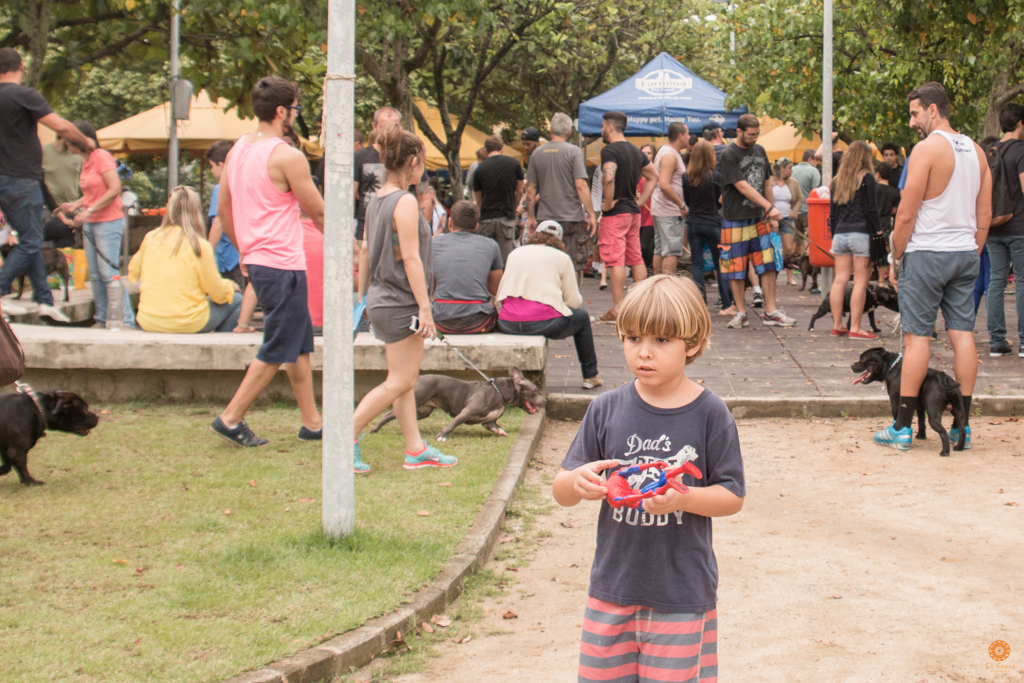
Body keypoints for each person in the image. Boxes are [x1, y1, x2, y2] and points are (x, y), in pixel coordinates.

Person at [552, 274, 745, 683]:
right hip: (611, 589)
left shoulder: (711, 414)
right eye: (633, 338)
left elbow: (732, 496)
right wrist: (577, 483)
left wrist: (683, 498)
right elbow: (561, 489)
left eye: (661, 340)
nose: (644, 352)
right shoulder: (605, 408)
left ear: (692, 343)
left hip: (680, 594)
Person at [874, 82, 991, 452]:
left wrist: (895, 256)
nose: (912, 122)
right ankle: (962, 428)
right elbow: (985, 214)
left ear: (933, 110)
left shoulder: (925, 150)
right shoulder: (977, 151)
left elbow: (906, 214)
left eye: (915, 114)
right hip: (965, 252)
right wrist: (972, 251)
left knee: (916, 338)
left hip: (926, 252)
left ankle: (902, 428)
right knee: (963, 335)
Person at [211, 75, 325, 448]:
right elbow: (318, 213)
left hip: (261, 260)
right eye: (295, 108)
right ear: (281, 111)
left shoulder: (237, 150)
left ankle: (312, 422)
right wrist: (351, 249)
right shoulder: (287, 156)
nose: (296, 115)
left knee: (298, 342)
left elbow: (224, 208)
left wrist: (244, 249)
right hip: (282, 263)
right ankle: (230, 418)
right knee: (279, 345)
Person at [352, 123, 457, 473]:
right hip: (400, 300)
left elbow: (366, 250)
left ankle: (416, 448)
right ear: (413, 161)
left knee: (404, 380)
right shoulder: (405, 201)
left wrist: (364, 295)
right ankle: (345, 436)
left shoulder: (376, 200)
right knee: (400, 381)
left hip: (382, 297)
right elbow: (411, 259)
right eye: (423, 162)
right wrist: (425, 307)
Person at [0, 47, 94, 321]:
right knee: (31, 241)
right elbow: (61, 127)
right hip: (21, 180)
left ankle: (44, 300)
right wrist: (86, 141)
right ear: (21, 65)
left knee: (29, 239)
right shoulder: (23, 95)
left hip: (4, 180)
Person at [497, 220, 601, 390]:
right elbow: (574, 301)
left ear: (535, 234)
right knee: (582, 317)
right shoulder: (562, 258)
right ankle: (590, 375)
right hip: (544, 323)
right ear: (559, 240)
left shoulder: (515, 253)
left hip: (508, 322)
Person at [718, 113, 796, 329]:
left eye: (757, 134)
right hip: (735, 218)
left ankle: (771, 311)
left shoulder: (760, 150)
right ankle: (740, 312)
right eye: (751, 135)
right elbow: (742, 186)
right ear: (739, 131)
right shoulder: (729, 154)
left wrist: (771, 213)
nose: (754, 138)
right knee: (735, 268)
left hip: (759, 218)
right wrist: (769, 207)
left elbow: (766, 183)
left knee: (768, 266)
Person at [127, 186, 241, 333]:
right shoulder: (199, 245)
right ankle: (221, 343)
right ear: (197, 212)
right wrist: (229, 286)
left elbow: (133, 272)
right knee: (237, 299)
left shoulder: (151, 237)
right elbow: (217, 294)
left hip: (148, 320)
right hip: (186, 321)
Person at [61, 121, 135, 328]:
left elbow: (114, 189)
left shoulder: (101, 156)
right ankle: (101, 318)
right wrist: (76, 205)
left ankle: (125, 320)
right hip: (90, 223)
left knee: (109, 273)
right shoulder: (86, 161)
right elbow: (93, 192)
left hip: (108, 222)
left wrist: (89, 210)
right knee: (94, 275)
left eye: (69, 141)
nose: (66, 144)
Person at [595, 111, 658, 322]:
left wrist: (606, 204)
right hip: (633, 212)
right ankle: (639, 307)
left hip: (616, 213)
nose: (601, 130)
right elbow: (654, 176)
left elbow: (608, 177)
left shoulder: (609, 150)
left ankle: (618, 309)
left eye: (603, 126)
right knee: (636, 258)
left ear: (610, 127)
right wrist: (640, 202)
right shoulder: (635, 151)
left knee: (616, 260)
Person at [525, 112, 596, 279]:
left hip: (545, 218)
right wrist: (591, 214)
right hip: (571, 218)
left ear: (550, 130)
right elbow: (581, 185)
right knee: (573, 264)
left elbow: (530, 189)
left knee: (546, 264)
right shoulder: (574, 152)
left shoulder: (537, 154)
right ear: (569, 132)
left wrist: (531, 217)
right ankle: (571, 295)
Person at [827, 141, 881, 340]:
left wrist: (834, 235)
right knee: (860, 282)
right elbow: (872, 209)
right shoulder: (867, 178)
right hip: (861, 233)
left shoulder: (836, 181)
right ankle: (856, 328)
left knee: (839, 280)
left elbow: (832, 214)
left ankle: (837, 325)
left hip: (840, 234)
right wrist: (878, 232)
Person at [206, 139, 259, 333]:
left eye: (211, 166)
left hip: (224, 255)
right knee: (241, 298)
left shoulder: (221, 187)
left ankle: (226, 332)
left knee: (226, 297)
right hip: (241, 250)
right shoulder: (246, 185)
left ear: (221, 165)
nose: (211, 171)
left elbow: (218, 224)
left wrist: (206, 251)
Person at [431, 200, 503, 334]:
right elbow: (496, 289)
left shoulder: (432, 244)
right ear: (476, 225)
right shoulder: (491, 245)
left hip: (440, 320)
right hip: (480, 321)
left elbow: (430, 285)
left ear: (450, 222)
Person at [987, 102, 1024, 358]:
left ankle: (996, 341)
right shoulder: (1021, 150)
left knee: (996, 281)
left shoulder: (990, 150)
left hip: (994, 226)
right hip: (1019, 226)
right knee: (1022, 281)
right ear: (1021, 123)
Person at [355, 107, 402, 283]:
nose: (388, 132)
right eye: (383, 127)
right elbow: (352, 196)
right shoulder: (360, 157)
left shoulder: (406, 155)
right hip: (365, 231)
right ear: (374, 127)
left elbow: (422, 195)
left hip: (399, 232)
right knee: (366, 282)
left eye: (394, 126)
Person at [684, 139, 732, 313]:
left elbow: (687, 201)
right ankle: (726, 302)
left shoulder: (686, 176)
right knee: (721, 263)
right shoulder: (716, 176)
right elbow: (720, 201)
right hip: (712, 222)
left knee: (697, 264)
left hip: (693, 222)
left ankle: (700, 304)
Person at [473, 135, 524, 265]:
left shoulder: (479, 169)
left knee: (486, 260)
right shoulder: (514, 164)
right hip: (506, 217)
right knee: (505, 260)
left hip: (486, 218)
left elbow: (478, 199)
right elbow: (519, 190)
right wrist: (514, 207)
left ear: (486, 150)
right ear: (502, 149)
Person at [650, 123, 690, 276]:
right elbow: (664, 185)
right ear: (680, 136)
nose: (689, 137)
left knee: (660, 249)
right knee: (671, 251)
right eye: (687, 134)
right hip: (669, 210)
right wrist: (681, 204)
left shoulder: (665, 151)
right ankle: (667, 284)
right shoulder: (670, 155)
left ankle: (659, 282)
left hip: (662, 208)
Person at [41, 133, 83, 249]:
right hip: (47, 209)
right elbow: (39, 183)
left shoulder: (78, 154)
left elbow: (85, 186)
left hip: (72, 210)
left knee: (72, 235)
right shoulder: (43, 152)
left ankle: (63, 259)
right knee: (63, 230)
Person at [770, 157, 805, 286]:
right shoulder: (770, 181)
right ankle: (772, 275)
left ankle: (789, 277)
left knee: (789, 249)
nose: (792, 170)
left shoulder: (793, 182)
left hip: (788, 218)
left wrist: (794, 212)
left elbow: (800, 199)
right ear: (782, 168)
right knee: (772, 248)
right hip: (772, 219)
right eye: (790, 168)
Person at [791, 149, 821, 262]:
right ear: (810, 159)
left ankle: (796, 264)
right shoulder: (813, 171)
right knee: (809, 239)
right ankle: (808, 263)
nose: (817, 163)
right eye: (816, 161)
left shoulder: (792, 170)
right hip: (809, 211)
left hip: (794, 211)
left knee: (796, 240)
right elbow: (816, 191)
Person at [874, 162, 901, 285]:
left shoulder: (873, 189)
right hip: (886, 223)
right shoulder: (894, 192)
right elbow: (894, 210)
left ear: (878, 174)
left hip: (873, 222)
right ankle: (881, 280)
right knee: (884, 252)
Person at [637, 143, 658, 274]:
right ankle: (645, 273)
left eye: (649, 153)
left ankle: (650, 272)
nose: (646, 156)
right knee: (639, 247)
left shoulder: (655, 172)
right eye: (643, 153)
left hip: (651, 214)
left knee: (646, 246)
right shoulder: (637, 173)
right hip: (639, 214)